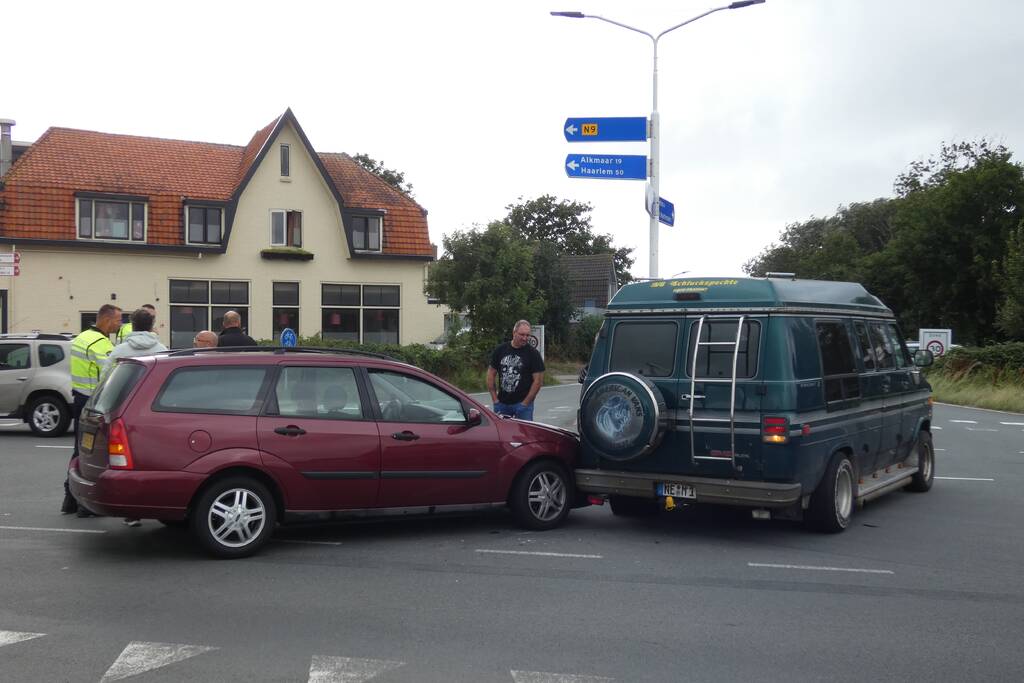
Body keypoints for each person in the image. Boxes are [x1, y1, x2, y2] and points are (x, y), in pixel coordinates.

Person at [63, 303, 121, 515]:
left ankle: (69, 499)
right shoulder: (99, 343)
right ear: (106, 319)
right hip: (94, 404)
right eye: (117, 320)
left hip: (79, 399)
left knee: (79, 450)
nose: (119, 324)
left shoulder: (82, 337)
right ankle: (82, 504)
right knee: (91, 453)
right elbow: (112, 375)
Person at [487, 319, 545, 421]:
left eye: (527, 335)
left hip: (523, 404)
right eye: (522, 334)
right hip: (502, 403)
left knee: (524, 435)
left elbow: (538, 381)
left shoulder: (533, 354)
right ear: (514, 333)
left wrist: (525, 404)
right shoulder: (500, 350)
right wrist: (495, 400)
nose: (525, 338)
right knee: (503, 435)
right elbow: (491, 374)